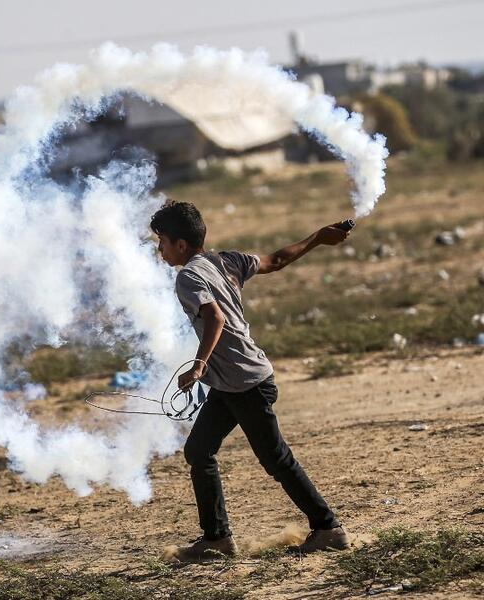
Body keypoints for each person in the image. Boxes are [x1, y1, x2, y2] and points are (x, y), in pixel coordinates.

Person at [150, 200, 350, 562]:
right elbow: (275, 260)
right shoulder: (225, 261)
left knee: (276, 459)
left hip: (246, 383)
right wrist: (318, 238)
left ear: (180, 244)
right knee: (199, 451)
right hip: (230, 385)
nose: (158, 249)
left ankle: (328, 528)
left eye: (161, 241)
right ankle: (217, 539)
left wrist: (198, 366)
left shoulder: (188, 277)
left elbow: (215, 319)